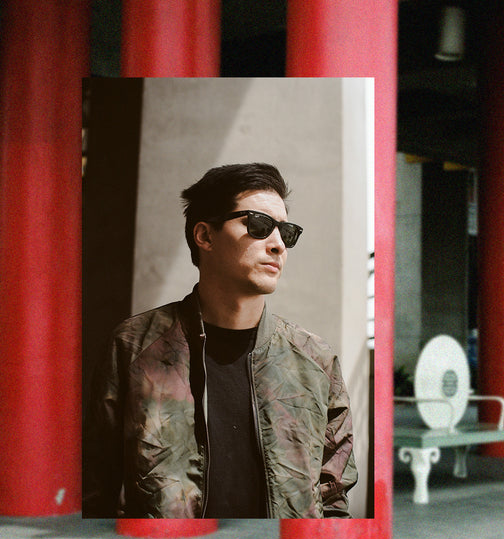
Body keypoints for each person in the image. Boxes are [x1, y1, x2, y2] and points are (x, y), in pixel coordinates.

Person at [83, 163, 357, 518]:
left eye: (286, 232)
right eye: (258, 225)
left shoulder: (314, 360)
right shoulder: (134, 348)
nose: (277, 245)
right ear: (205, 236)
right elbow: (95, 489)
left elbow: (333, 500)